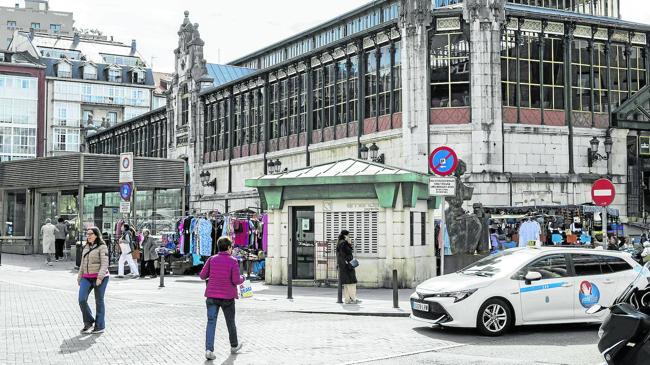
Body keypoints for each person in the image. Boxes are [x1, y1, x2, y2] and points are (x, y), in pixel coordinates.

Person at [200, 236, 245, 360]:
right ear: (229, 248)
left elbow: (202, 276)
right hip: (227, 297)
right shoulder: (233, 261)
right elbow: (236, 280)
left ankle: (209, 350)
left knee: (211, 322)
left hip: (212, 295)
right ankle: (234, 346)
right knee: (230, 321)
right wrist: (243, 278)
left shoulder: (211, 259)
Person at [77, 226, 109, 334]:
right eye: (87, 234)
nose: (88, 236)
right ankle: (89, 322)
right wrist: (79, 277)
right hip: (86, 277)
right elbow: (82, 263)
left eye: (91, 234)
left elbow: (105, 263)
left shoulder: (102, 247)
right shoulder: (86, 247)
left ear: (96, 235)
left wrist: (100, 277)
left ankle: (100, 326)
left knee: (99, 301)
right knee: (82, 299)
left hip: (100, 277)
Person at [337, 230, 360, 304]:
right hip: (347, 265)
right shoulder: (343, 243)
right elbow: (346, 253)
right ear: (345, 236)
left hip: (344, 265)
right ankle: (353, 299)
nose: (349, 237)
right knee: (351, 283)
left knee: (347, 284)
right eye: (348, 235)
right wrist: (349, 244)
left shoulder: (340, 242)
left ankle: (347, 299)